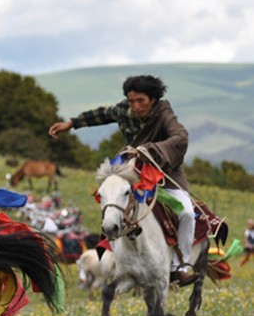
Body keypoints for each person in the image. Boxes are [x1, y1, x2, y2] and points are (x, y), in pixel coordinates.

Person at [48, 74, 196, 284]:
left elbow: (180, 137)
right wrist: (71, 124)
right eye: (131, 101)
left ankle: (181, 266)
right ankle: (121, 262)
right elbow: (101, 115)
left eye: (140, 101)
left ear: (153, 99)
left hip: (165, 174)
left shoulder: (164, 114)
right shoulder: (123, 110)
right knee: (112, 205)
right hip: (131, 172)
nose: (135, 106)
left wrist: (149, 150)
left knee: (187, 212)